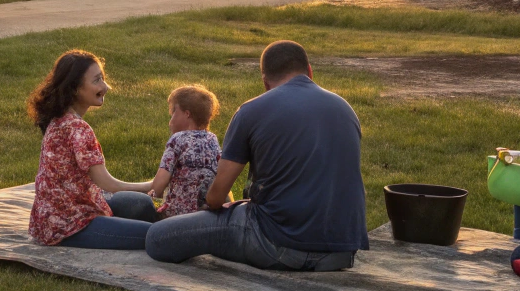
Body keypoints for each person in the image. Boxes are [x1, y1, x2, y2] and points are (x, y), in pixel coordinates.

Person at [144, 41, 368, 270]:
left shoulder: (251, 111)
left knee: (157, 238)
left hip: (275, 244)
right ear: (309, 71)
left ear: (265, 81)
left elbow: (216, 197)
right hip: (340, 252)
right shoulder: (345, 109)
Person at [26, 50, 160, 249]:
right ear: (74, 89)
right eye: (97, 80)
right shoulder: (78, 128)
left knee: (139, 204)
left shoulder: (59, 119)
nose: (105, 87)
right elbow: (108, 184)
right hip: (71, 226)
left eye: (103, 79)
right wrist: (153, 185)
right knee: (161, 235)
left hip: (53, 219)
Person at [146, 85, 224, 217]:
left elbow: (157, 187)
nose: (170, 121)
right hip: (205, 216)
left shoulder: (177, 140)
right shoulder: (213, 140)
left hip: (176, 217)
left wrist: (152, 200)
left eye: (173, 113)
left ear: (187, 114)